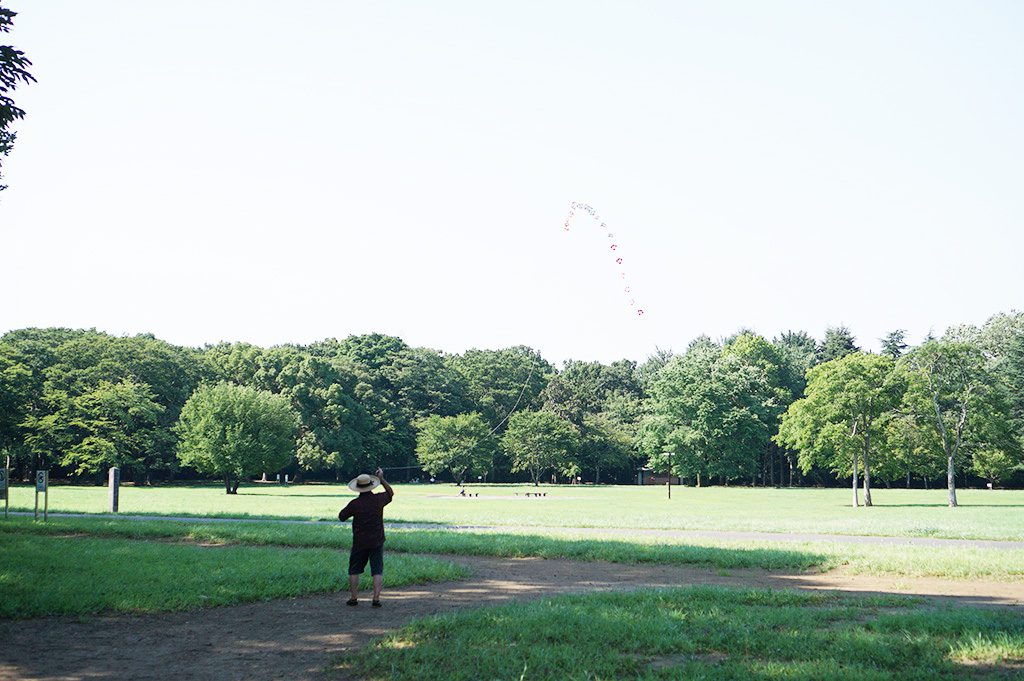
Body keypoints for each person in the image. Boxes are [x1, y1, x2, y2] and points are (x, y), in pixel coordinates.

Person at [338, 467, 394, 607]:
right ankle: (376, 599)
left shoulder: (354, 504)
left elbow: (341, 517)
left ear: (358, 488)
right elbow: (390, 493)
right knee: (377, 570)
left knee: (354, 569)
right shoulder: (378, 500)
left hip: (359, 542)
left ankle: (353, 598)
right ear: (371, 486)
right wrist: (381, 479)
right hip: (377, 540)